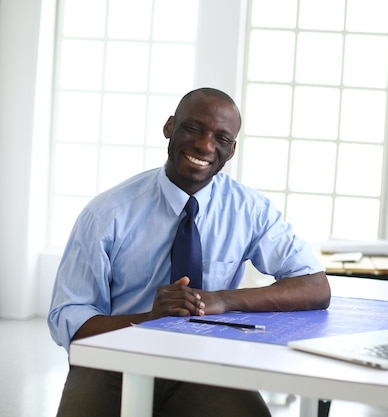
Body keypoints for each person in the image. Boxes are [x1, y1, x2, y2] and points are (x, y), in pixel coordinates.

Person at [48, 87, 331, 417]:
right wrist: (148, 321)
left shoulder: (249, 210)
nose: (205, 145)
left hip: (204, 359)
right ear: (170, 127)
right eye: (194, 128)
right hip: (112, 358)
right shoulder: (108, 213)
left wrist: (223, 300)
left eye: (221, 138)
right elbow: (68, 318)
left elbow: (314, 286)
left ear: (232, 149)